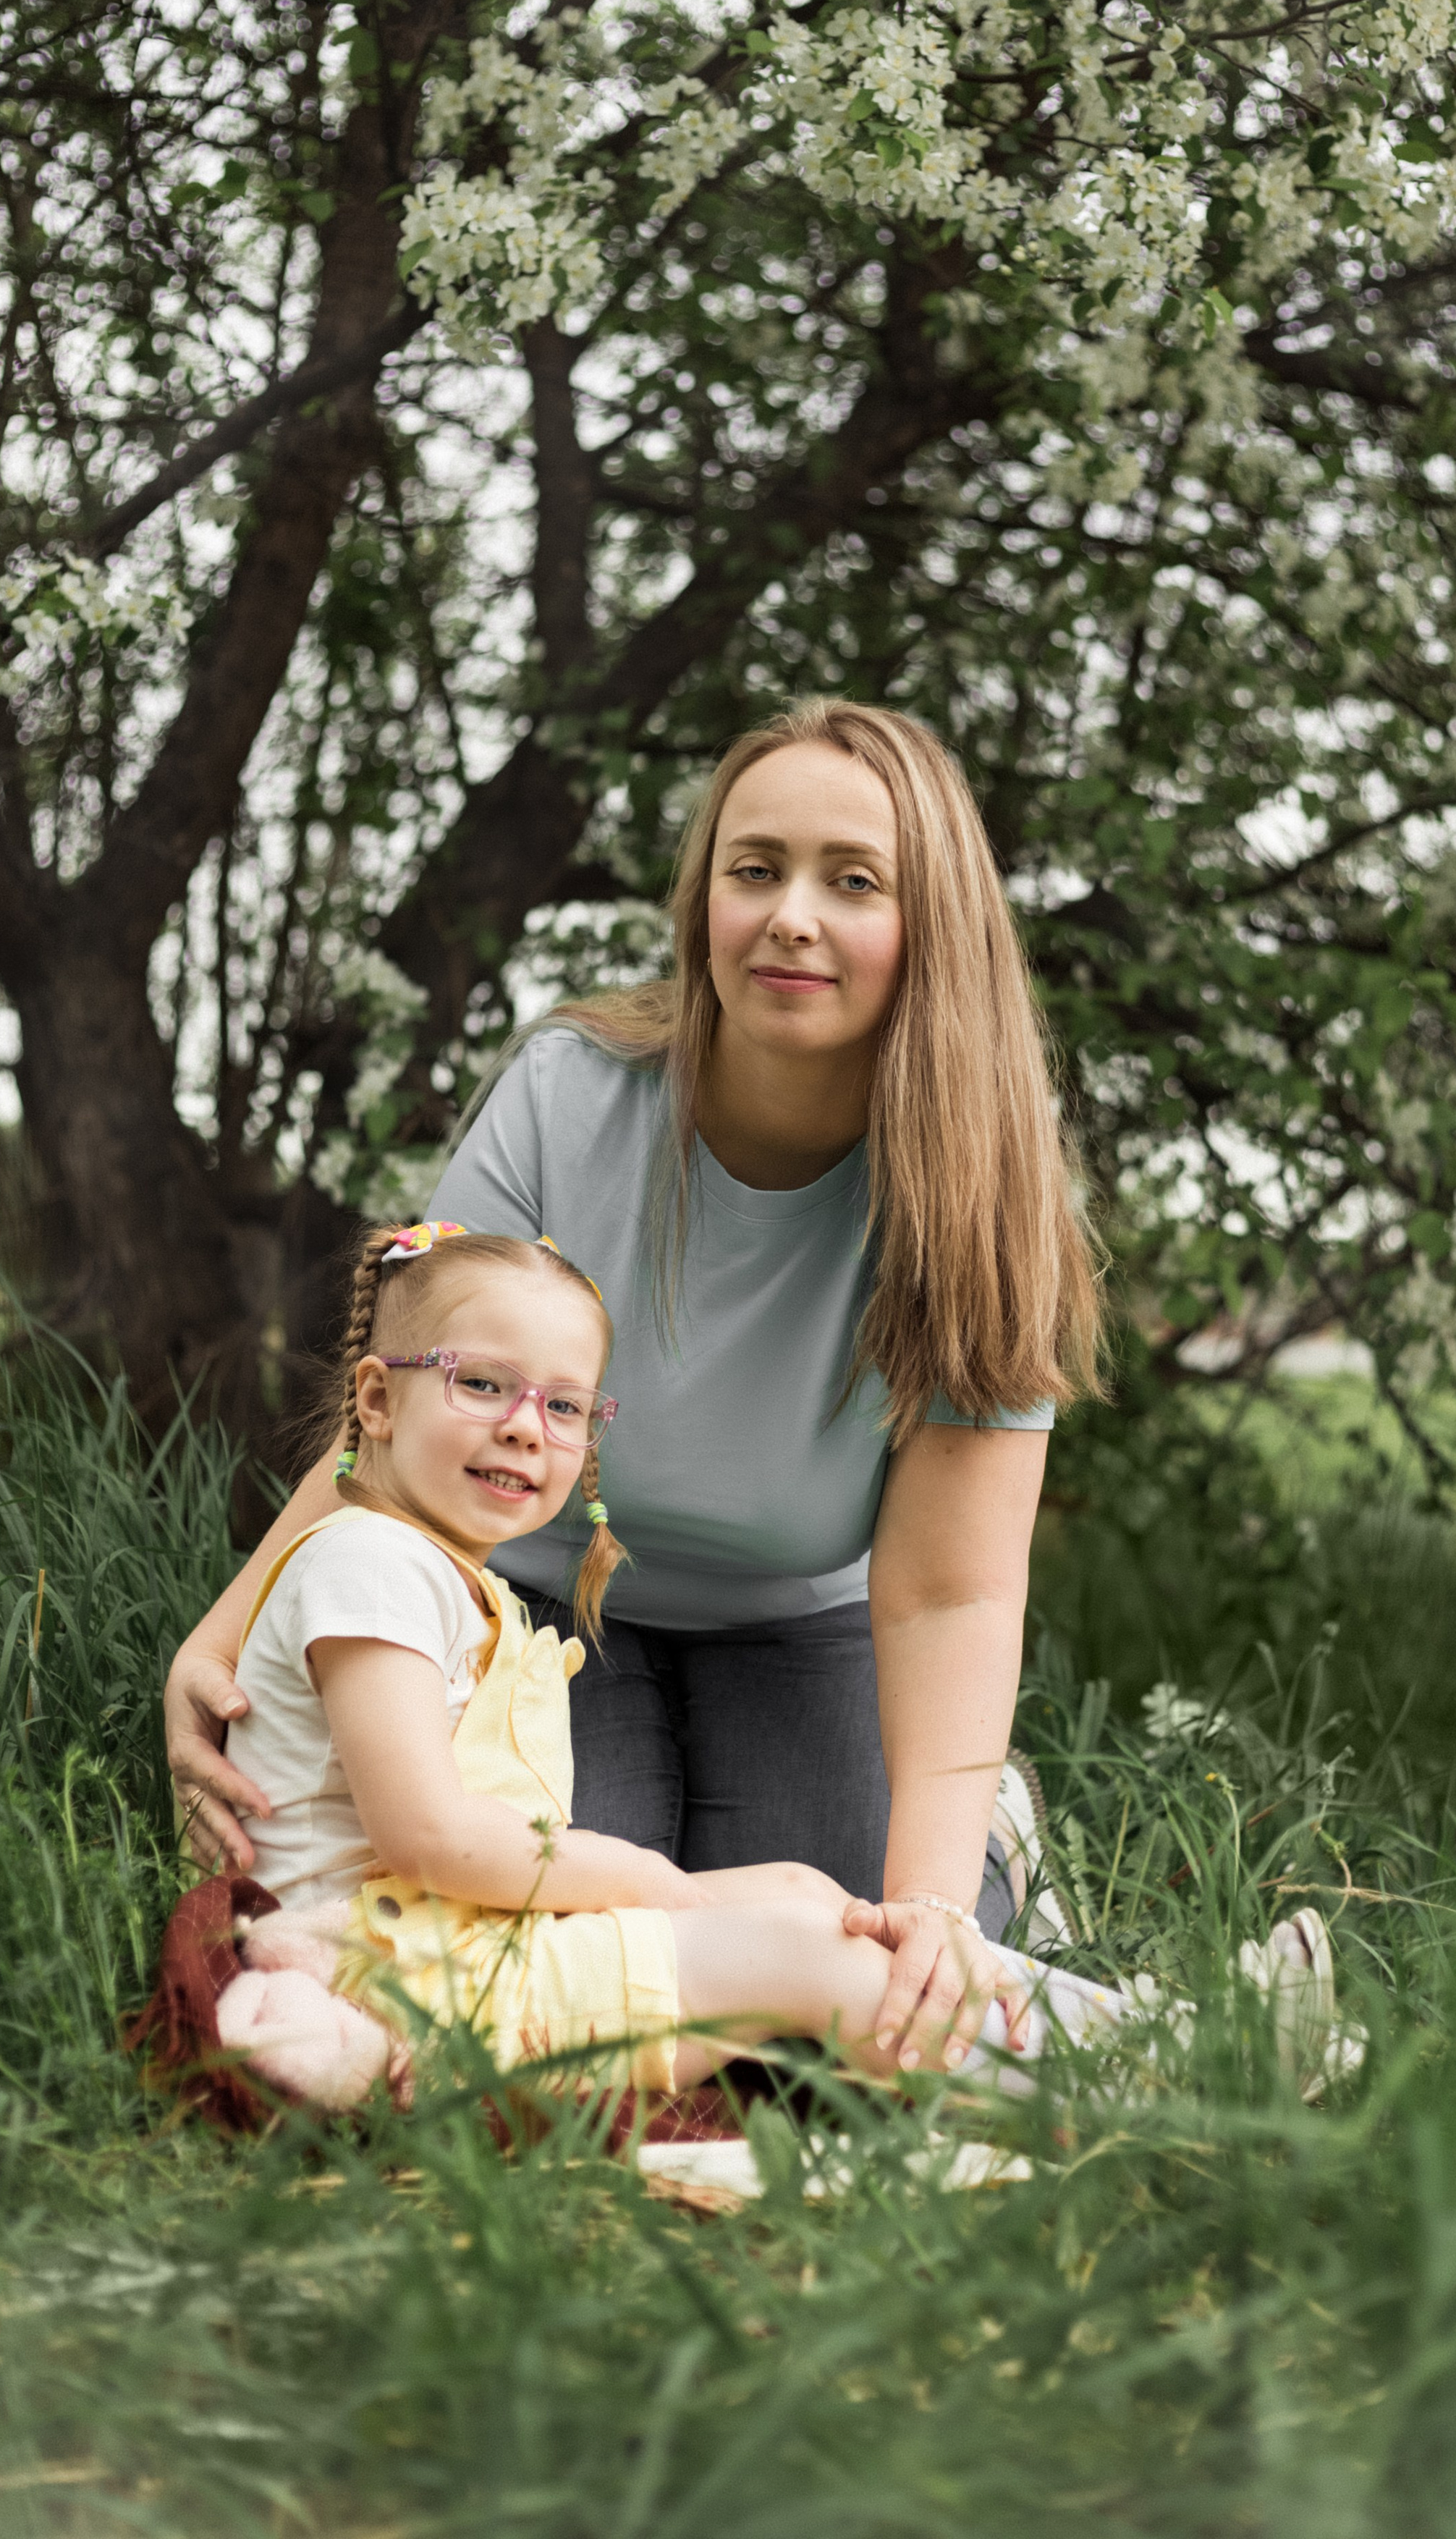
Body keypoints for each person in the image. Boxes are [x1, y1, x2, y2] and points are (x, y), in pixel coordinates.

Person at [168, 699, 1104, 2066]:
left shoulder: (994, 1193)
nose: (791, 915)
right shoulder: (572, 1093)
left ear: (934, 926)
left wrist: (930, 1897)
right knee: (545, 1950)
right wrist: (224, 1626)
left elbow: (952, 1588)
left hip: (806, 1622)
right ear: (704, 896)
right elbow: (413, 1404)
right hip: (536, 1602)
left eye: (854, 882)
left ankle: (999, 1851)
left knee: (854, 1981)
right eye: (754, 867)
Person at [211, 1222, 1234, 2110]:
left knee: (802, 1892)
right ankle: (1171, 2069)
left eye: (567, 1408)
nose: (526, 1425)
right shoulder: (366, 1565)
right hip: (395, 1981)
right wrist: (651, 1884)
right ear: (378, 1403)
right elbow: (426, 1834)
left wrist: (676, 1895)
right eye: (482, 1385)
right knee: (800, 1954)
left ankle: (1108, 2043)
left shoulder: (425, 1569)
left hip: (443, 1945)